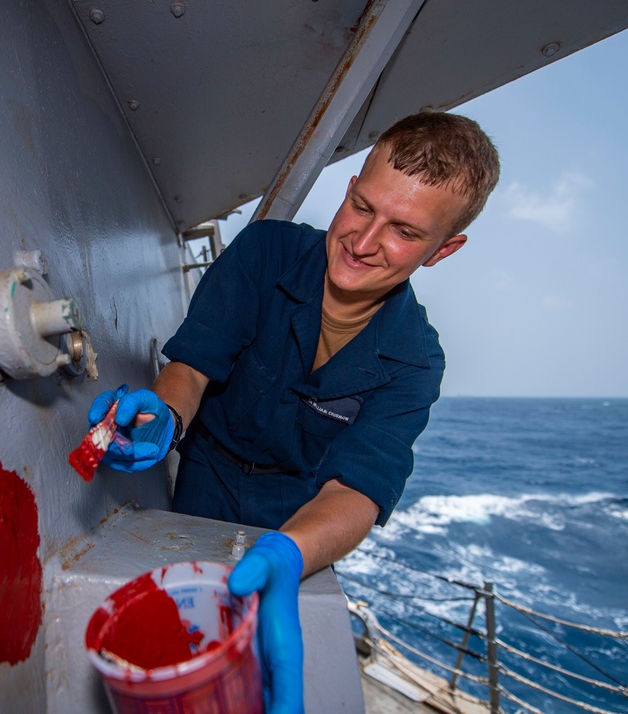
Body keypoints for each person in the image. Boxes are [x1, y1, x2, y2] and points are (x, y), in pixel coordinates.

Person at [87, 111, 500, 713]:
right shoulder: (264, 250)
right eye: (361, 206)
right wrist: (163, 419)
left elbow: (357, 490)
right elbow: (193, 367)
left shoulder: (417, 360)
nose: (362, 242)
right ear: (352, 183)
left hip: (300, 513)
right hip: (206, 474)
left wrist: (289, 550)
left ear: (444, 249)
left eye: (404, 232)